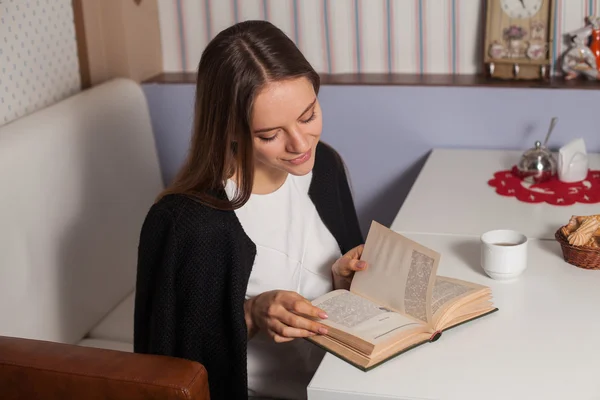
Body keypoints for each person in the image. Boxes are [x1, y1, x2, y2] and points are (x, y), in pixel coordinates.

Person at [133, 20, 366, 400]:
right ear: (229, 130)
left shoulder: (324, 167)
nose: (299, 143)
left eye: (308, 116)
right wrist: (252, 313)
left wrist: (342, 280)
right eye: (270, 135)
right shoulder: (188, 223)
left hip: (342, 382)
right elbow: (172, 361)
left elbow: (348, 305)